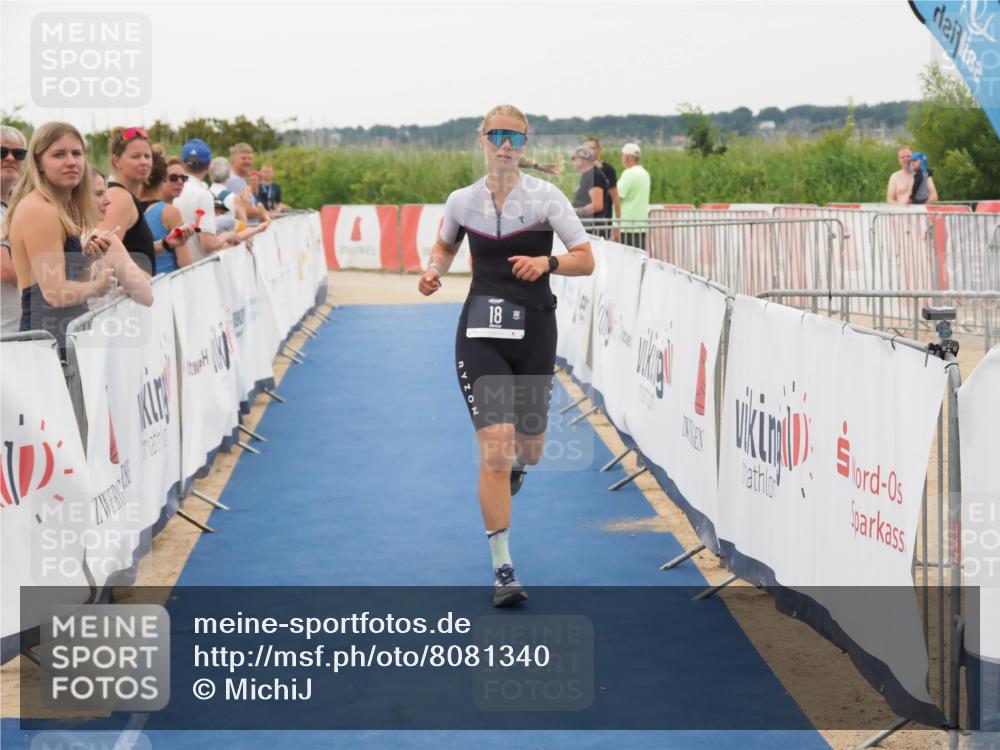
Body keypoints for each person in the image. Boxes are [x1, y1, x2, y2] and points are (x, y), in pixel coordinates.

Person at [417, 104, 595, 607]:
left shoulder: (546, 198)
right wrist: (434, 270)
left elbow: (586, 259)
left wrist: (547, 261)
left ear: (524, 143)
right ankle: (503, 568)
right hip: (480, 333)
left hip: (536, 328)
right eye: (495, 135)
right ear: (482, 140)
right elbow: (444, 247)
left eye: (513, 137)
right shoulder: (462, 201)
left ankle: (522, 460)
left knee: (530, 446)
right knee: (495, 443)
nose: (504, 144)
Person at [2, 123, 117, 355]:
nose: (71, 162)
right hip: (49, 343)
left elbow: (63, 282)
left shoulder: (59, 206)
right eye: (58, 155)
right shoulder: (40, 209)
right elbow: (54, 294)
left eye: (77, 153)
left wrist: (85, 261)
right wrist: (97, 286)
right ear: (39, 164)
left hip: (64, 337)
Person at [89, 170, 155, 308]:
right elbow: (146, 296)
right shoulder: (106, 240)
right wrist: (119, 290)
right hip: (103, 326)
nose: (107, 201)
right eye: (99, 194)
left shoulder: (55, 235)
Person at [100, 127, 159, 276]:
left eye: (147, 156)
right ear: (116, 160)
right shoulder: (119, 197)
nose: (144, 162)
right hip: (125, 297)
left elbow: (128, 251)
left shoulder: (123, 195)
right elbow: (104, 257)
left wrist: (165, 245)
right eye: (136, 156)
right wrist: (143, 281)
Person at [173, 139, 241, 262]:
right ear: (209, 165)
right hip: (198, 269)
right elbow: (208, 245)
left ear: (182, 163)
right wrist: (227, 235)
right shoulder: (203, 195)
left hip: (175, 270)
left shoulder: (172, 188)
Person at [142, 157, 194, 273]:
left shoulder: (136, 206)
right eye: (173, 177)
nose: (180, 182)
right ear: (162, 179)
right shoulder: (171, 212)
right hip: (167, 282)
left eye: (183, 178)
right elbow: (184, 262)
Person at [2, 125, 28, 334]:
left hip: (20, 331)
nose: (10, 158)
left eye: (18, 153)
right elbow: (6, 271)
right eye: (2, 152)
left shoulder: (19, 206)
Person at [615, 143, 651, 249]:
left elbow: (617, 198)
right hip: (641, 226)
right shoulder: (645, 174)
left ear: (626, 157)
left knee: (625, 259)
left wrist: (615, 225)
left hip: (626, 226)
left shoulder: (628, 174)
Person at [585, 137, 619, 238]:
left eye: (592, 148)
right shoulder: (582, 171)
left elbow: (615, 197)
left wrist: (617, 225)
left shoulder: (608, 170)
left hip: (602, 223)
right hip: (584, 224)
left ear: (599, 150)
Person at [226, 143, 269, 222]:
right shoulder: (234, 181)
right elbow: (245, 209)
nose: (247, 161)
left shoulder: (240, 179)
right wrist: (265, 213)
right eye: (243, 158)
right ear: (234, 159)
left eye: (250, 158)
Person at [570, 145, 608, 226]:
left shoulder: (593, 175)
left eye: (573, 158)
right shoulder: (588, 175)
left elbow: (597, 205)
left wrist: (575, 211)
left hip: (593, 228)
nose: (572, 162)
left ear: (581, 160)